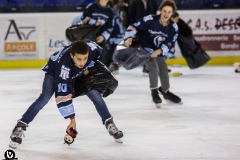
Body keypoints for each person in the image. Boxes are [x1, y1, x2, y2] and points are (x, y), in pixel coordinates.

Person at [9, 39, 123, 149]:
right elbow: (63, 96)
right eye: (79, 59)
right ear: (72, 56)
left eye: (85, 58)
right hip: (54, 73)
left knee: (93, 92)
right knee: (44, 98)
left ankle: (109, 123)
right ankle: (20, 127)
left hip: (74, 73)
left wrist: (87, 67)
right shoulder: (64, 69)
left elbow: (95, 52)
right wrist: (72, 120)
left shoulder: (92, 49)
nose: (82, 62)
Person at [124, 0, 181, 107]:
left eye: (169, 12)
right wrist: (129, 37)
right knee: (153, 67)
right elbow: (133, 26)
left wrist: (159, 51)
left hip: (158, 50)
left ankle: (166, 92)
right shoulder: (150, 19)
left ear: (172, 13)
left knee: (163, 69)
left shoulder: (173, 27)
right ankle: (154, 92)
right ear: (160, 10)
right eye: (164, 11)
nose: (166, 14)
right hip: (143, 48)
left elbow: (169, 43)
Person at [128, 0, 158, 76]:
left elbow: (155, 14)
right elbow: (131, 14)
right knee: (143, 47)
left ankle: (148, 66)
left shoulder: (152, 2)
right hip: (140, 29)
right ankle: (145, 66)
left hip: (150, 28)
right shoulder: (135, 2)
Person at [80, 0, 114, 66]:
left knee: (99, 59)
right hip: (89, 37)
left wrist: (103, 36)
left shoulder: (110, 11)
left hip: (100, 39)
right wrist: (94, 22)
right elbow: (83, 17)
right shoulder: (91, 6)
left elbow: (110, 27)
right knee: (87, 57)